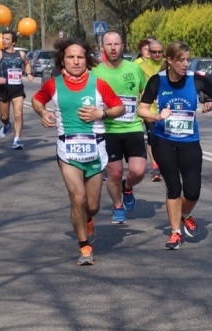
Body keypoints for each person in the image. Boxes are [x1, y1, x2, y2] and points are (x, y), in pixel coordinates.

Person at [31, 39, 125, 266]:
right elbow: (36, 100)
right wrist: (43, 113)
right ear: (62, 60)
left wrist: (101, 114)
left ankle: (88, 218)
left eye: (80, 57)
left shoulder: (98, 84)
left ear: (87, 60)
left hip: (95, 149)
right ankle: (84, 247)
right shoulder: (53, 85)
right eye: (71, 57)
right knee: (77, 197)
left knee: (92, 205)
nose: (75, 61)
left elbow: (120, 107)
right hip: (67, 150)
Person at [137, 41, 212, 250]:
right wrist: (157, 116)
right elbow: (141, 109)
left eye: (188, 60)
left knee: (193, 192)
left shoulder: (195, 80)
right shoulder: (157, 80)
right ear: (170, 60)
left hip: (189, 141)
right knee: (173, 188)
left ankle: (185, 213)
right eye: (181, 60)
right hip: (163, 140)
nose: (186, 64)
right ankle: (175, 233)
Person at [92, 31, 147, 224]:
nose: (113, 48)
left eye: (117, 44)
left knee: (138, 171)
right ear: (103, 48)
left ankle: (128, 187)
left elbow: (145, 92)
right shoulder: (95, 72)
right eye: (109, 44)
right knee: (114, 173)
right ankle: (117, 206)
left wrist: (149, 112)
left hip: (133, 127)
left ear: (122, 46)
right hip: (108, 130)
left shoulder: (134, 69)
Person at [0, 30, 33, 149]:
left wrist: (29, 73)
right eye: (3, 38)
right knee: (4, 116)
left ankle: (16, 140)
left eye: (7, 39)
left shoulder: (20, 54)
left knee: (18, 114)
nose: (3, 41)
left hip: (17, 88)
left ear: (13, 42)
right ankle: (7, 125)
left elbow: (27, 63)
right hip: (3, 89)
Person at [139, 39, 165, 182]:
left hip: (166, 108)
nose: (157, 54)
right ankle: (155, 166)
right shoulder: (141, 67)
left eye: (160, 52)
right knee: (152, 137)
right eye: (154, 52)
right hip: (150, 108)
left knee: (166, 137)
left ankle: (166, 163)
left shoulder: (168, 64)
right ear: (149, 52)